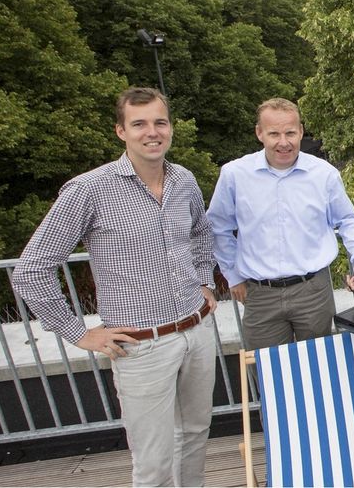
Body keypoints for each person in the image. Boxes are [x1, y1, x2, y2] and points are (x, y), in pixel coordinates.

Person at [12, 87, 218, 487]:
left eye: (159, 122)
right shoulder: (89, 189)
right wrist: (78, 332)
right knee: (154, 462)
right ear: (121, 131)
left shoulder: (184, 180)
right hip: (141, 348)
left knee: (195, 437)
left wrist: (205, 282)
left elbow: (200, 233)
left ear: (170, 128)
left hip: (198, 330)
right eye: (139, 124)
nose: (151, 132)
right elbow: (31, 270)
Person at [207, 98, 354, 351]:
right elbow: (218, 227)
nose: (283, 142)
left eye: (290, 133)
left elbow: (349, 220)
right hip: (260, 295)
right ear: (259, 133)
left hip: (314, 292)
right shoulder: (234, 175)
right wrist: (234, 276)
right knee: (270, 377)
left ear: (301, 132)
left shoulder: (324, 174)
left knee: (319, 370)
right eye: (274, 133)